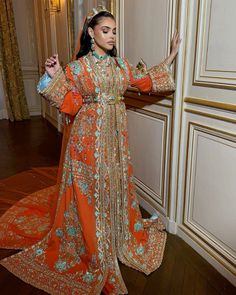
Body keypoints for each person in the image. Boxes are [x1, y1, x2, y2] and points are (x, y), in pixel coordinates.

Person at [0, 6, 180, 295]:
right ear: (91, 32)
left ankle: (115, 234)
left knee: (113, 186)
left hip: (116, 142)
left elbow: (144, 81)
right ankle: (92, 244)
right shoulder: (78, 68)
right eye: (105, 30)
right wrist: (53, 75)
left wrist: (171, 56)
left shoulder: (121, 65)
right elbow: (69, 104)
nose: (111, 36)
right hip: (86, 141)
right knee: (89, 191)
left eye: (114, 31)